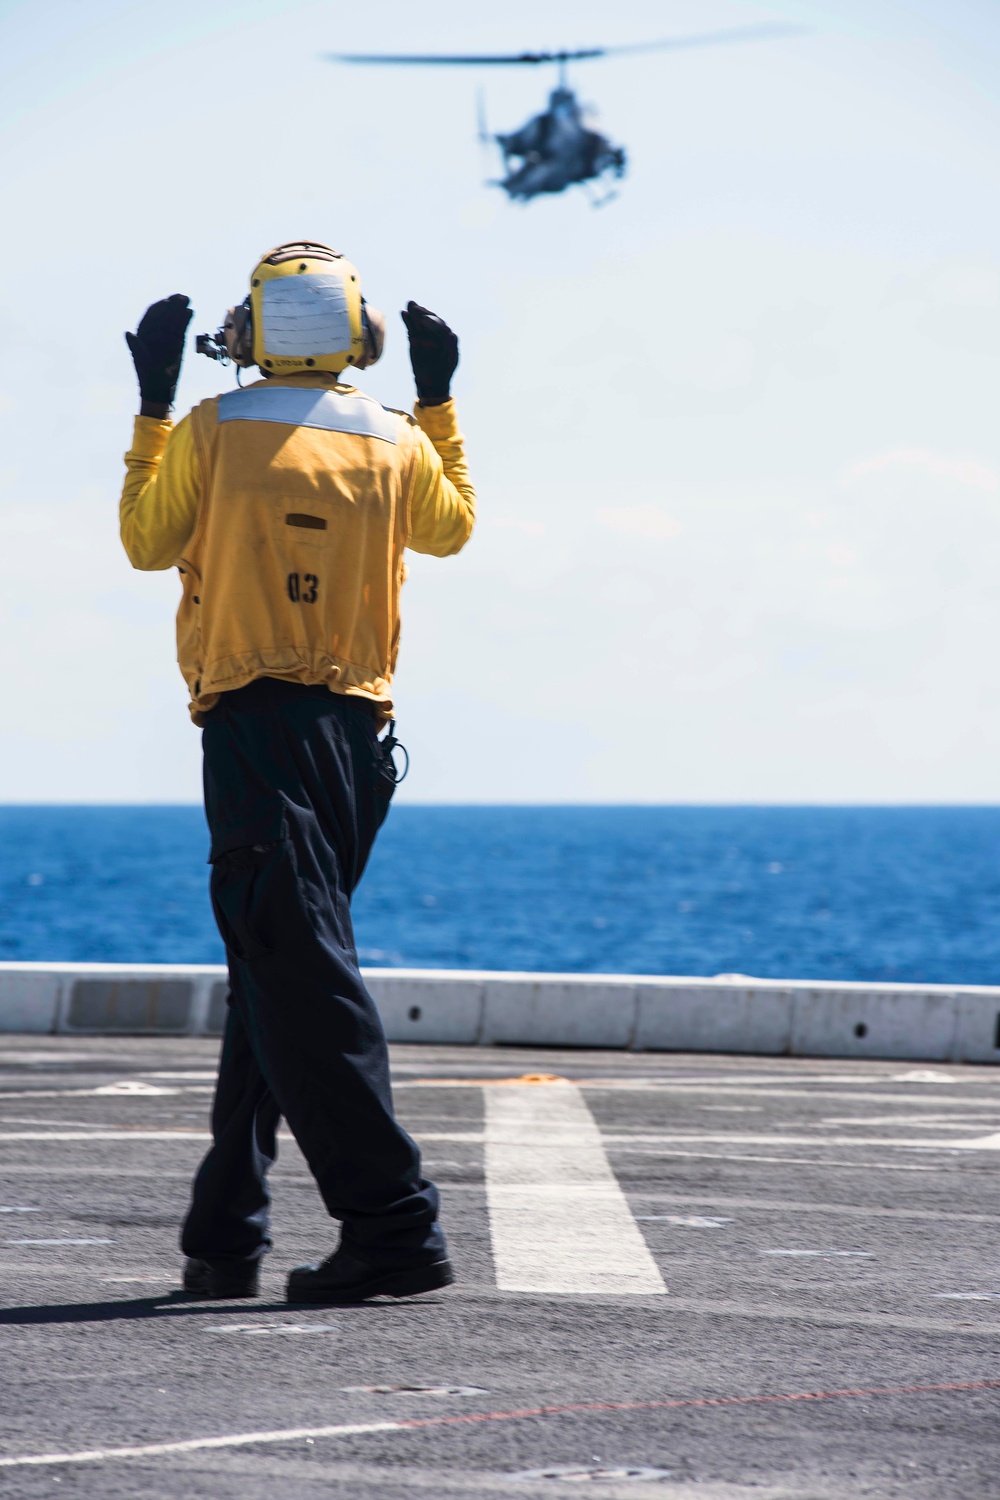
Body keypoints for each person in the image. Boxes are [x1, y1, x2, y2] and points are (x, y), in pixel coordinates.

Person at [119, 241, 475, 1303]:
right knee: (274, 974)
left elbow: (146, 543)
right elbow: (452, 533)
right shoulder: (398, 440)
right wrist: (441, 400)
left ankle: (394, 1229)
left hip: (255, 726)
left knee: (302, 981)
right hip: (359, 745)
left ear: (252, 330)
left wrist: (149, 406)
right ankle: (224, 1234)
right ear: (357, 337)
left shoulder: (211, 431)